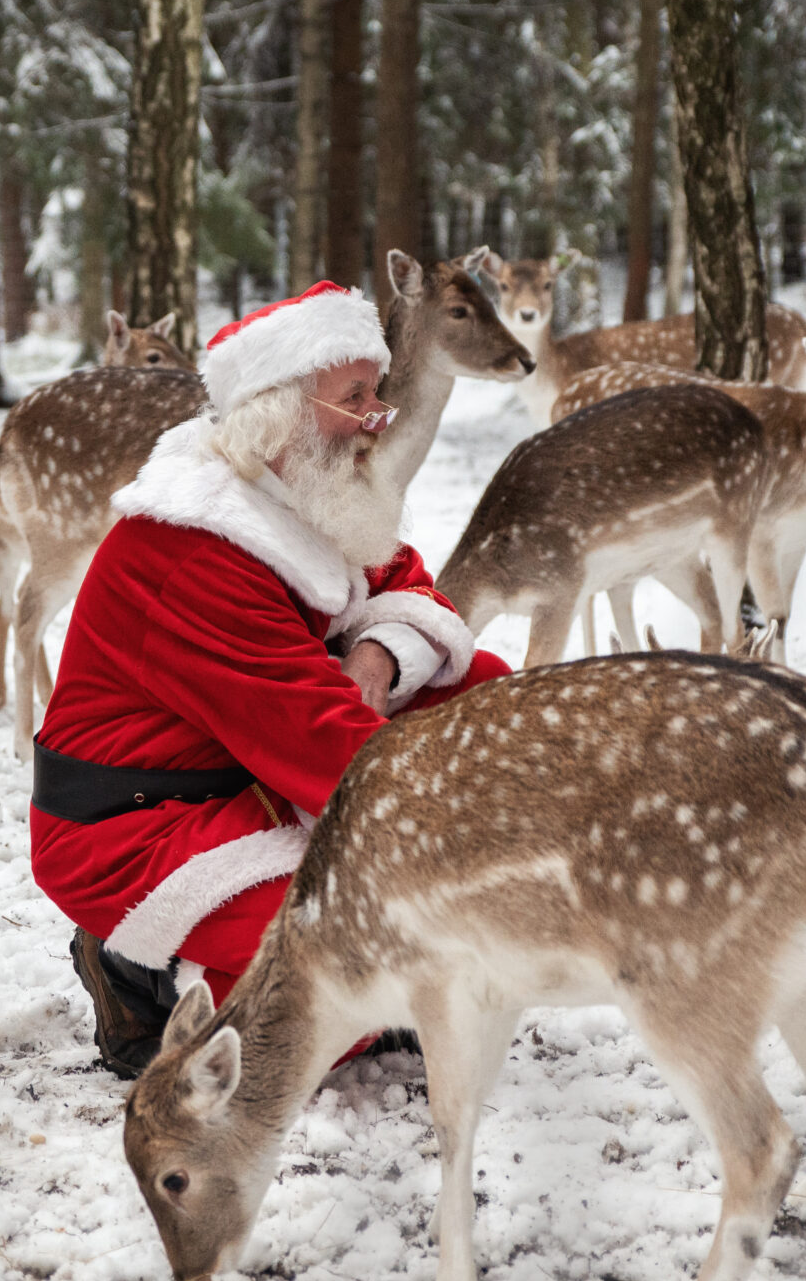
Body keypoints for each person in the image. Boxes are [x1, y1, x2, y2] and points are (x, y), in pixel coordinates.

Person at [29, 282, 509, 1074]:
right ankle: (142, 975)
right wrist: (491, 855)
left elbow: (410, 584)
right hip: (137, 833)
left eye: (377, 391)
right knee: (362, 960)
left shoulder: (306, 482)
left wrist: (380, 653)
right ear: (281, 412)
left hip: (246, 769)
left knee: (479, 685)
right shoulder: (195, 549)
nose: (379, 416)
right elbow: (332, 753)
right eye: (354, 397)